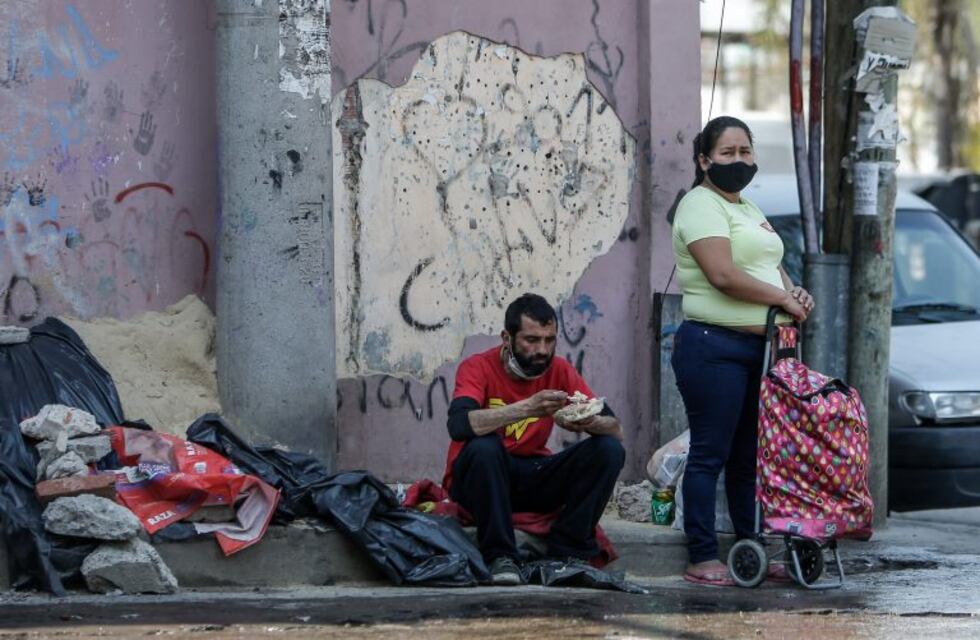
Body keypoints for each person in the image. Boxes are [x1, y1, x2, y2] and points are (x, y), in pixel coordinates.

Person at [670, 115, 815, 586]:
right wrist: (780, 299)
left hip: (764, 351)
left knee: (751, 457)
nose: (738, 161)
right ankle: (702, 555)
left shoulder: (749, 208)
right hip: (713, 348)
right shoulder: (700, 204)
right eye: (727, 153)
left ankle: (750, 546)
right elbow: (723, 275)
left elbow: (772, 269)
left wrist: (797, 295)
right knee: (710, 453)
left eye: (745, 152)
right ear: (704, 160)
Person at [442, 293, 625, 586]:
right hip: (481, 479)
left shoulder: (560, 370)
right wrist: (528, 407)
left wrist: (588, 421)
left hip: (531, 474)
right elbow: (459, 425)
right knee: (484, 447)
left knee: (608, 450)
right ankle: (501, 556)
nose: (542, 350)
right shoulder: (477, 367)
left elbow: (616, 429)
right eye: (531, 340)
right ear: (507, 337)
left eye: (550, 340)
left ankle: (567, 552)